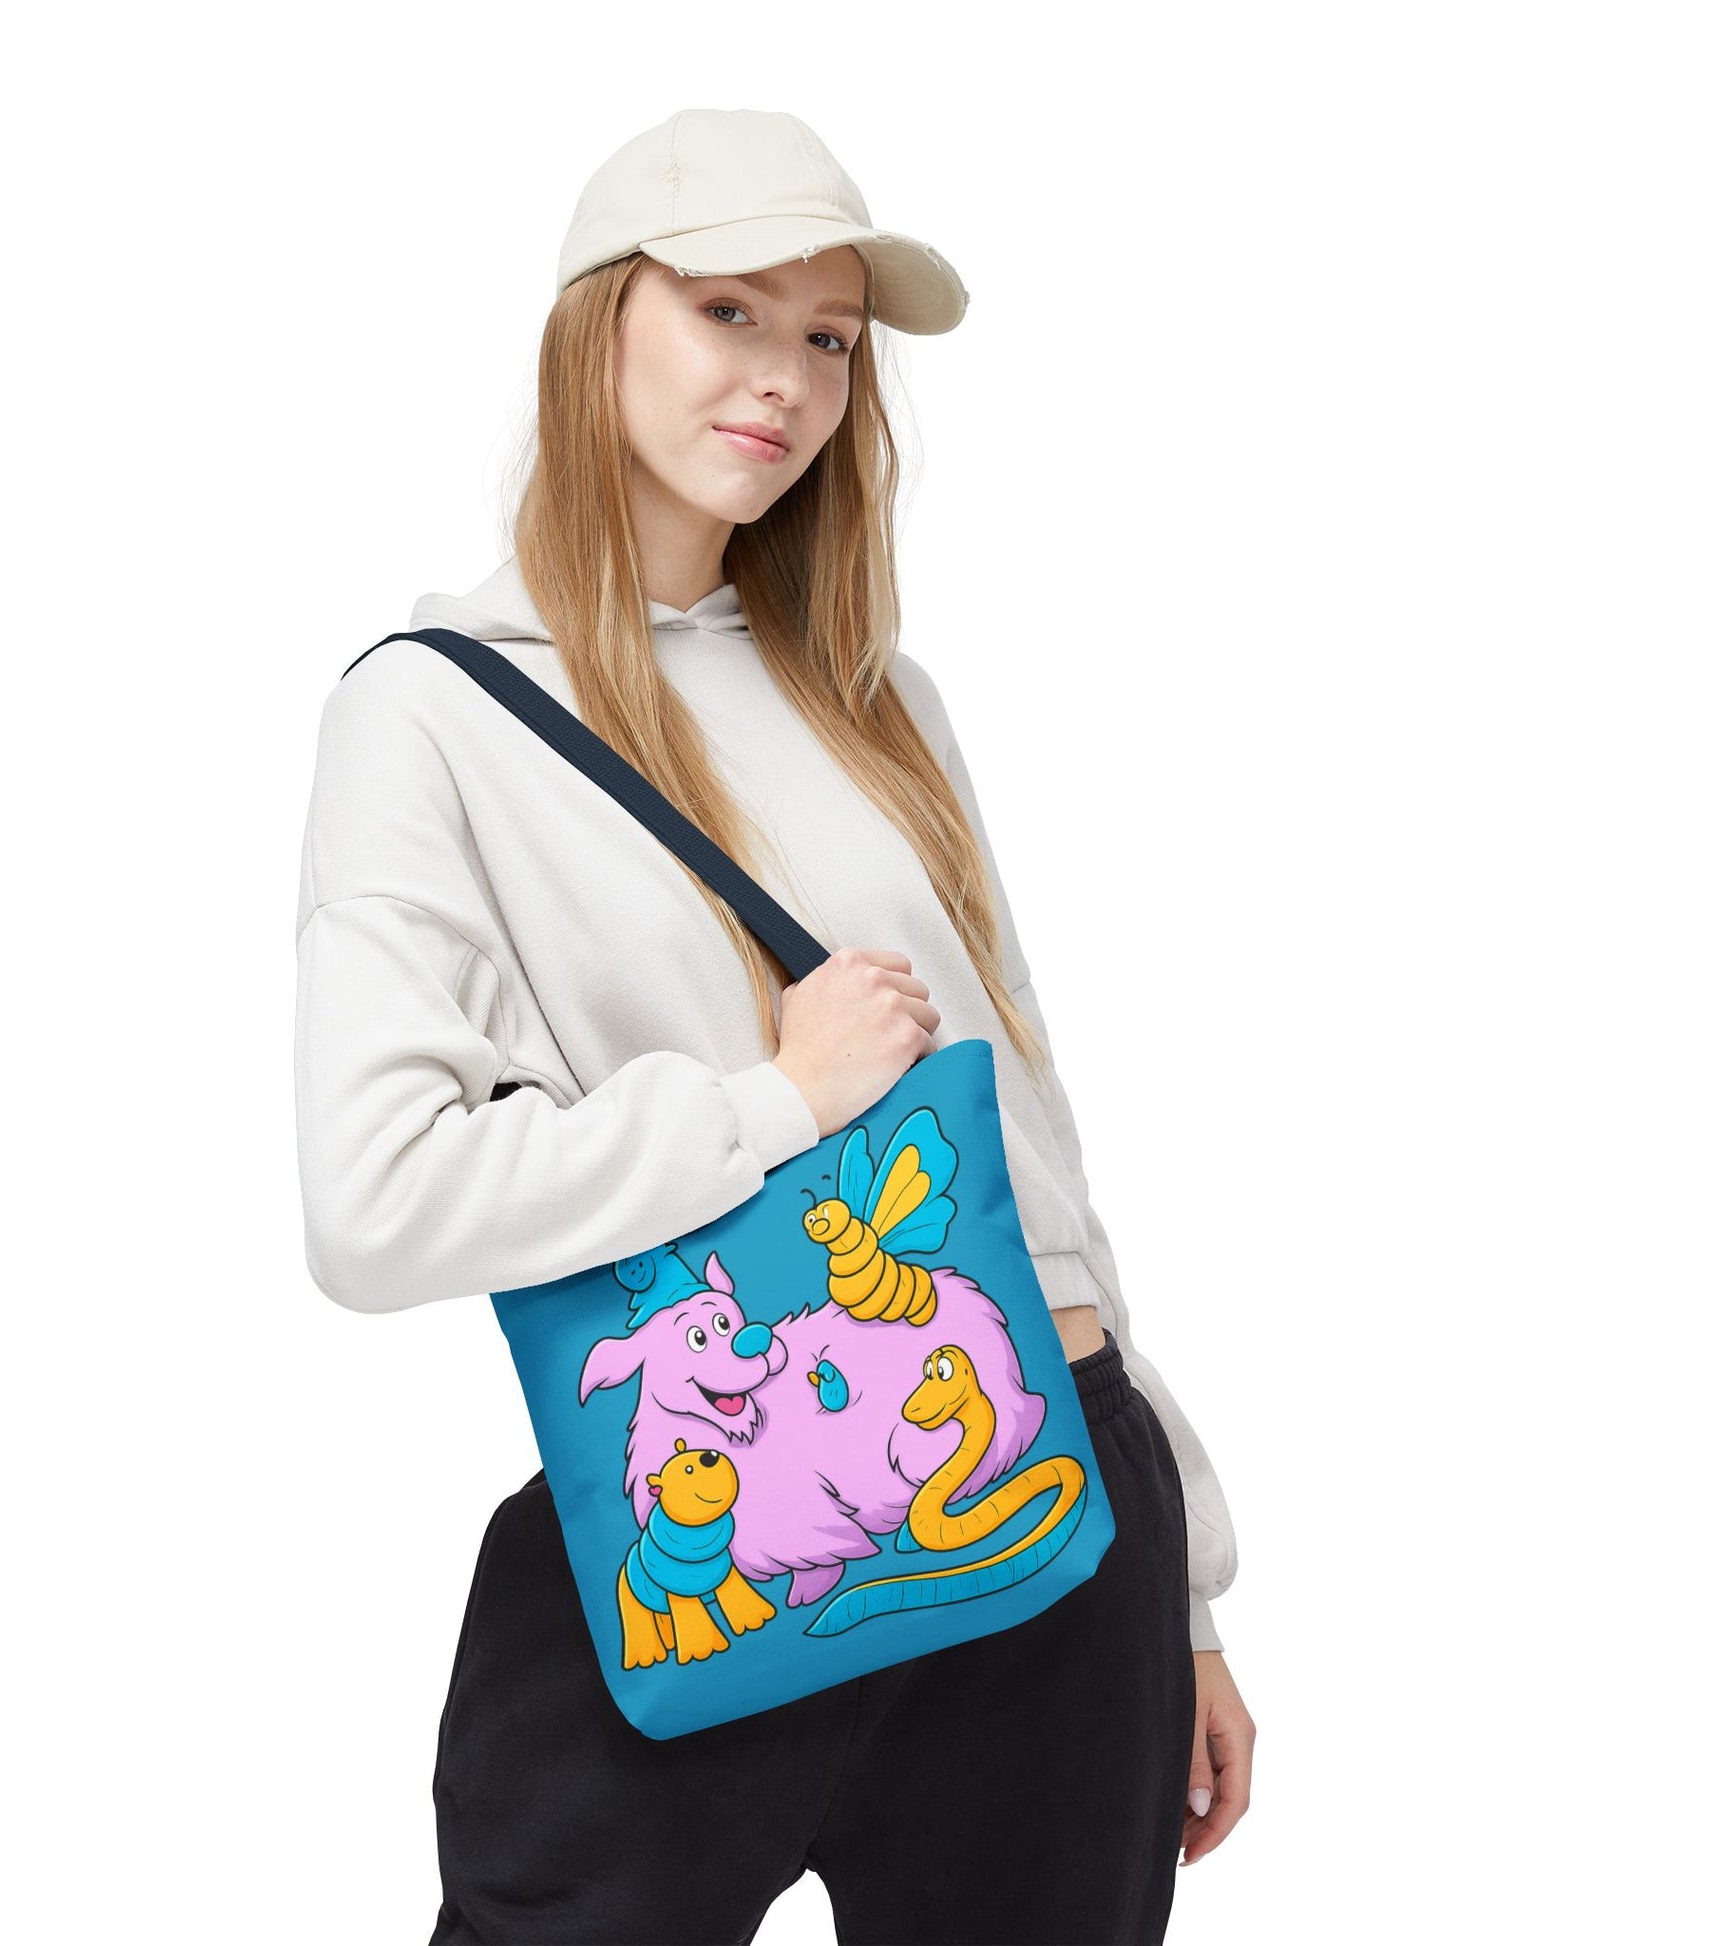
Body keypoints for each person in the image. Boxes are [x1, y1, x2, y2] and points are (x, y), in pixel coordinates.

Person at [295, 107, 1254, 1946]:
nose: (788, 381)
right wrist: (775, 1100)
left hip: (1047, 1505)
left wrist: (1189, 1587)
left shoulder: (877, 696)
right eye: (728, 309)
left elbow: (1028, 1142)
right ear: (597, 325)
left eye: (827, 337)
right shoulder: (435, 715)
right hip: (706, 1524)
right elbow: (374, 1201)